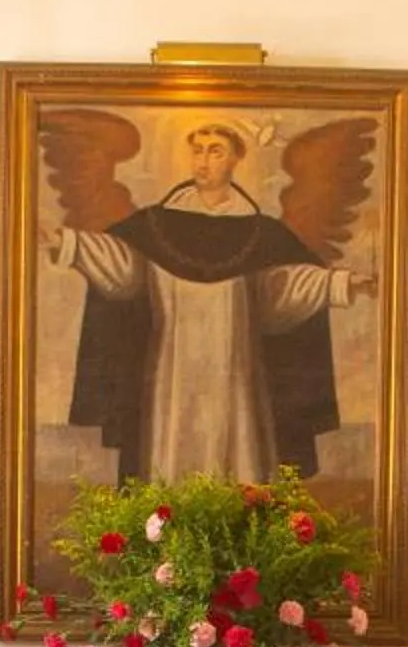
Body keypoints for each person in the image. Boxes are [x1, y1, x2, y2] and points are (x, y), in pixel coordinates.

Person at [45, 122, 372, 482]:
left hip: (236, 371)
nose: (203, 161)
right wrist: (68, 244)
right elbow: (124, 271)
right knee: (167, 454)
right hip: (171, 368)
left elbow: (278, 292)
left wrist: (339, 283)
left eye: (215, 151)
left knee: (239, 454)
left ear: (236, 159)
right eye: (197, 150)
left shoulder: (262, 233)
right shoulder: (154, 224)